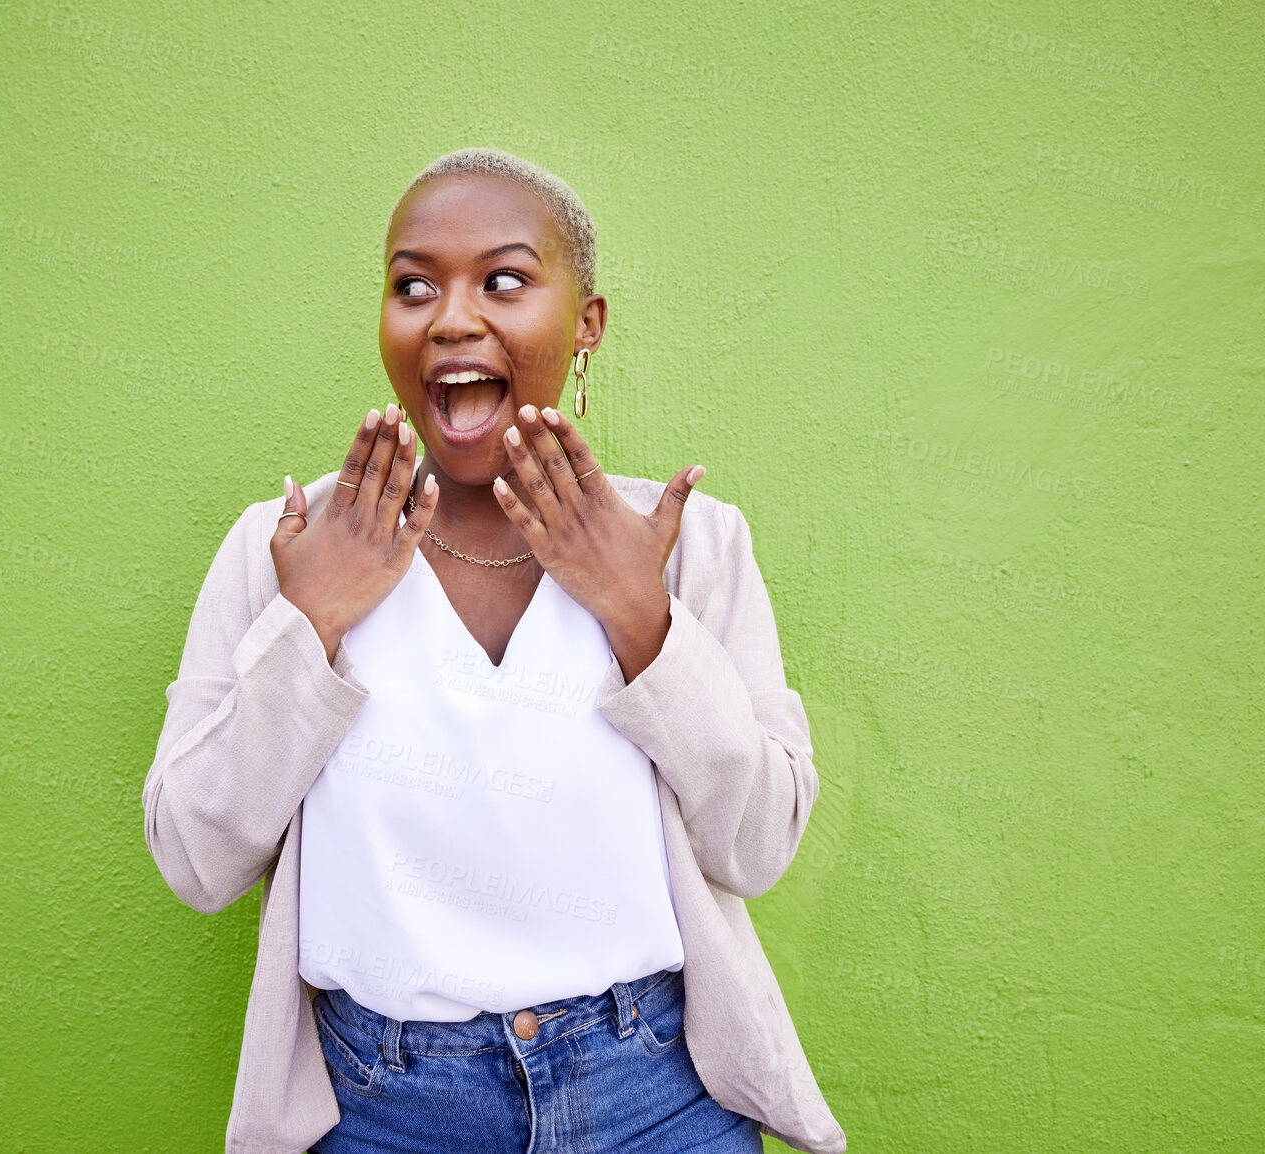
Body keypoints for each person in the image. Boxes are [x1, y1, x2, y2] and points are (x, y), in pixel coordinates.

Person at [142, 148, 846, 1154]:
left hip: (652, 1097)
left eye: (504, 280)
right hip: (384, 1105)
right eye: (412, 284)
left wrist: (641, 619)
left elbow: (760, 842)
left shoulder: (692, 546)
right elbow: (194, 857)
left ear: (587, 321)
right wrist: (313, 624)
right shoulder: (289, 546)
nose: (451, 317)